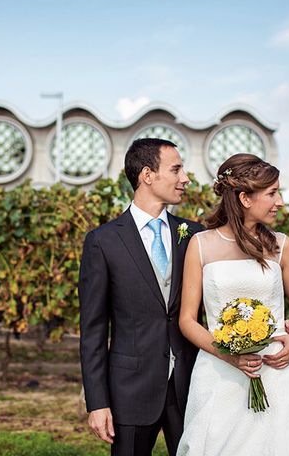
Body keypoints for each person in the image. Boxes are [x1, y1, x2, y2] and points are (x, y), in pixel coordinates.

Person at [177, 153, 289, 455]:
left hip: (277, 369)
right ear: (245, 198)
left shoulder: (282, 245)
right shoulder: (200, 245)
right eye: (273, 193)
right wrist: (228, 355)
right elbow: (187, 320)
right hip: (219, 370)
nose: (281, 202)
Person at [78, 138, 203, 456]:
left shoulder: (194, 235)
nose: (185, 178)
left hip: (190, 387)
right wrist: (97, 402)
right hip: (129, 391)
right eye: (176, 169)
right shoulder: (103, 241)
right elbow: (92, 330)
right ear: (147, 175)